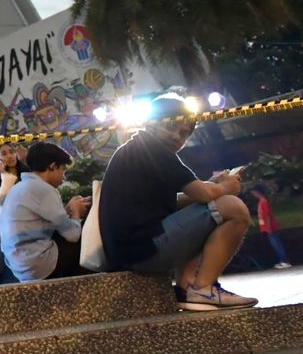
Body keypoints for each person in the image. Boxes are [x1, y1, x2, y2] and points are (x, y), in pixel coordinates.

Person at [99, 95, 256, 310]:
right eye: (170, 127)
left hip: (130, 251)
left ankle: (187, 286)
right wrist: (224, 187)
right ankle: (202, 288)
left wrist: (211, 186)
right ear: (150, 123)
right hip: (142, 250)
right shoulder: (152, 149)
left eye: (184, 133)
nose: (176, 136)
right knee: (232, 207)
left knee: (210, 206)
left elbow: (182, 200)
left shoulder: (136, 149)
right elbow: (203, 195)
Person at [0, 142, 91, 282]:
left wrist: (68, 209)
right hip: (36, 264)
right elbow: (73, 234)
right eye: (62, 170)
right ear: (52, 166)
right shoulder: (43, 189)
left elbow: (47, 221)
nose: (63, 177)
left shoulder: (20, 187)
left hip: (20, 266)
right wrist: (76, 213)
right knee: (88, 231)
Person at [0, 144, 28, 244]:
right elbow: (0, 201)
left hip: (31, 219)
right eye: (4, 154)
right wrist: (4, 175)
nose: (9, 156)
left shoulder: (26, 172)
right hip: (11, 225)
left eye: (11, 152)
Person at [250, 186, 291, 269]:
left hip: (270, 228)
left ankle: (284, 261)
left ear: (258, 192)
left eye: (254, 193)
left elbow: (268, 215)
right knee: (276, 244)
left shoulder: (264, 202)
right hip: (268, 227)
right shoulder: (261, 202)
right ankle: (283, 260)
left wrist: (269, 228)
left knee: (277, 245)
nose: (253, 195)